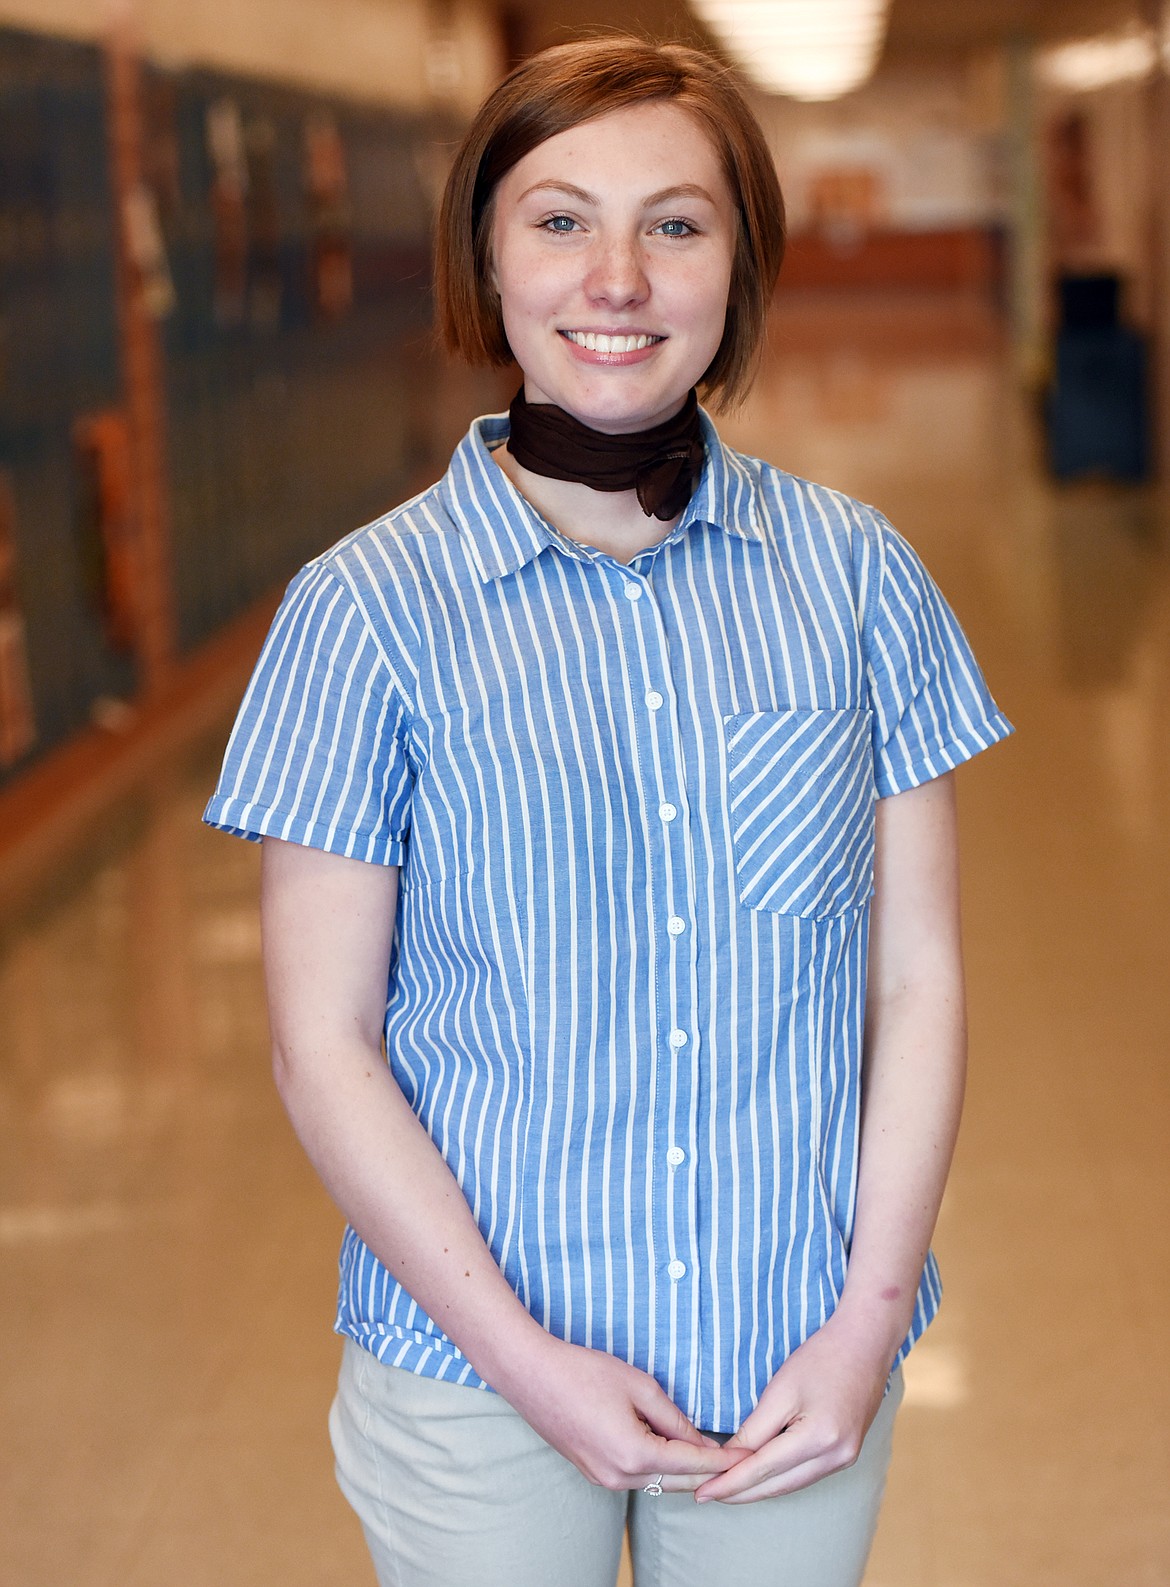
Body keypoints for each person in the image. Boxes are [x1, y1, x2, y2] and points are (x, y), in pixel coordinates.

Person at [203, 36, 1012, 1587]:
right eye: (560, 220)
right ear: (486, 259)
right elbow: (326, 1044)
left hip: (788, 1366)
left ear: (739, 263)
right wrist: (521, 1358)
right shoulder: (362, 613)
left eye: (677, 224)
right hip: (470, 1366)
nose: (618, 278)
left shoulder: (855, 580)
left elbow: (916, 983)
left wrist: (863, 1325)